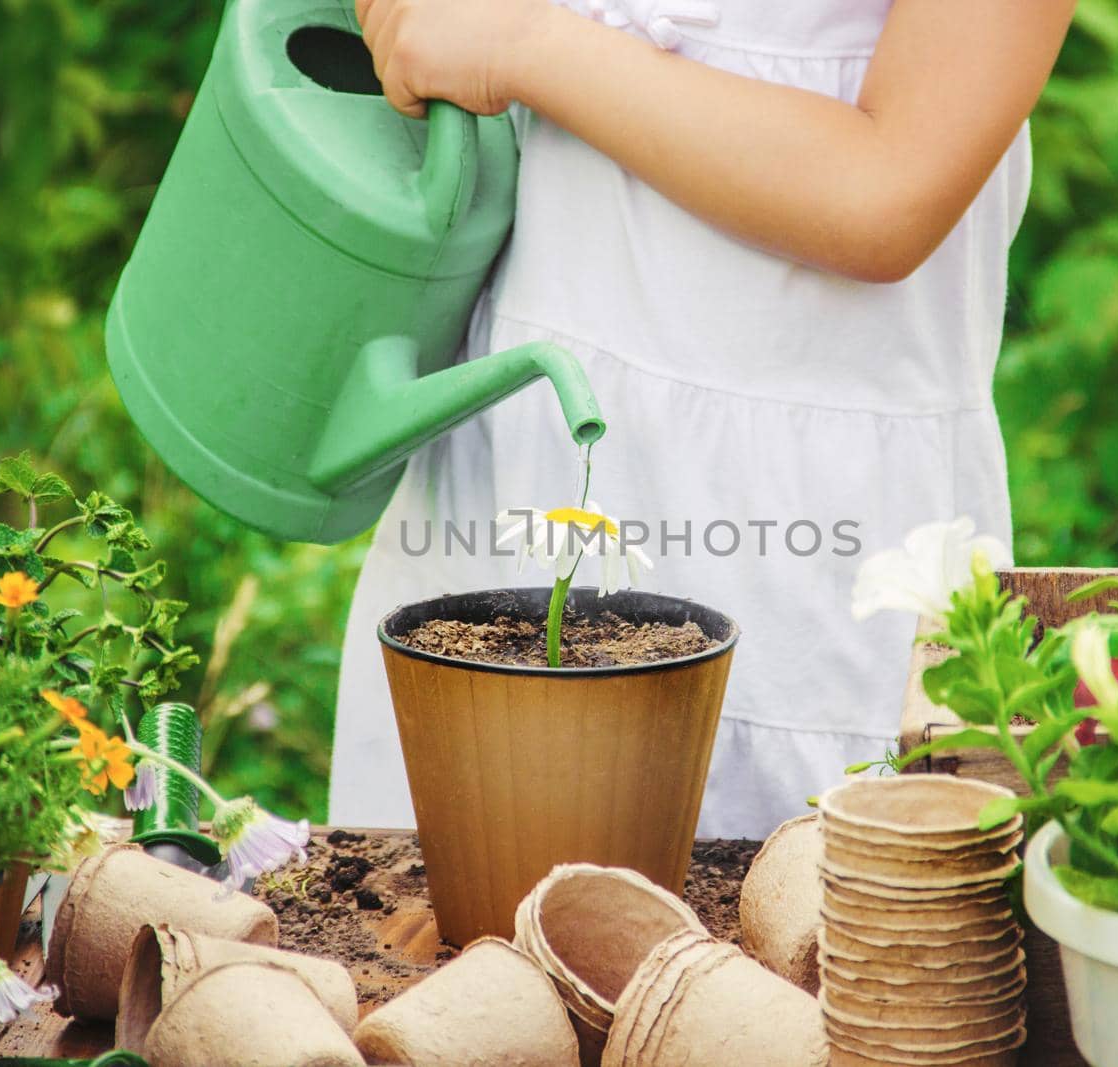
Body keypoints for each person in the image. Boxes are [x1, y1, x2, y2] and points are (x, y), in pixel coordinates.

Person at [329, 0, 1077, 837]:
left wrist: (521, 43)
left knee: (789, 939)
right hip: (519, 458)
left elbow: (888, 193)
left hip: (794, 555)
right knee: (439, 935)